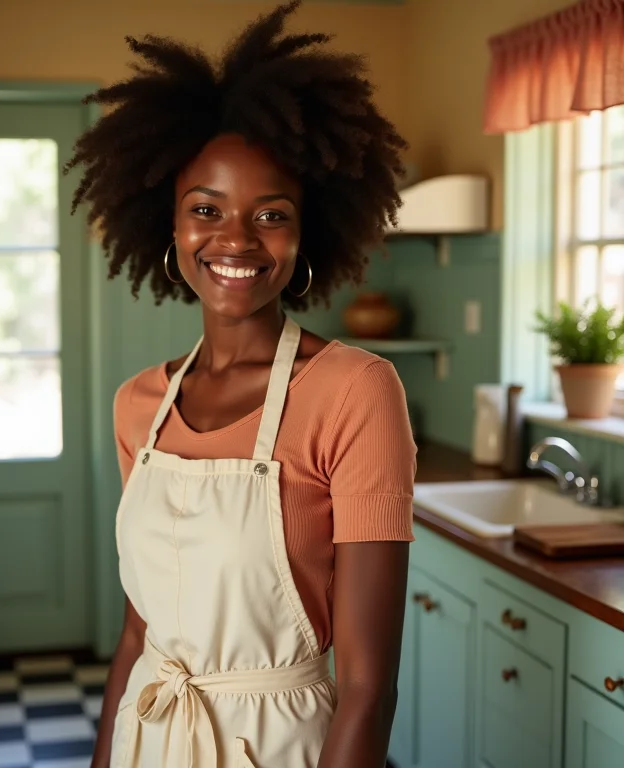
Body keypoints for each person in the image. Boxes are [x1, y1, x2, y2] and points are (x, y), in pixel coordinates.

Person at [67, 2, 416, 765]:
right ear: (169, 225)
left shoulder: (356, 391)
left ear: (307, 234)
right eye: (205, 210)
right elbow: (137, 634)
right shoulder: (139, 406)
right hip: (147, 736)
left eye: (271, 215)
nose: (234, 239)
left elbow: (368, 684)